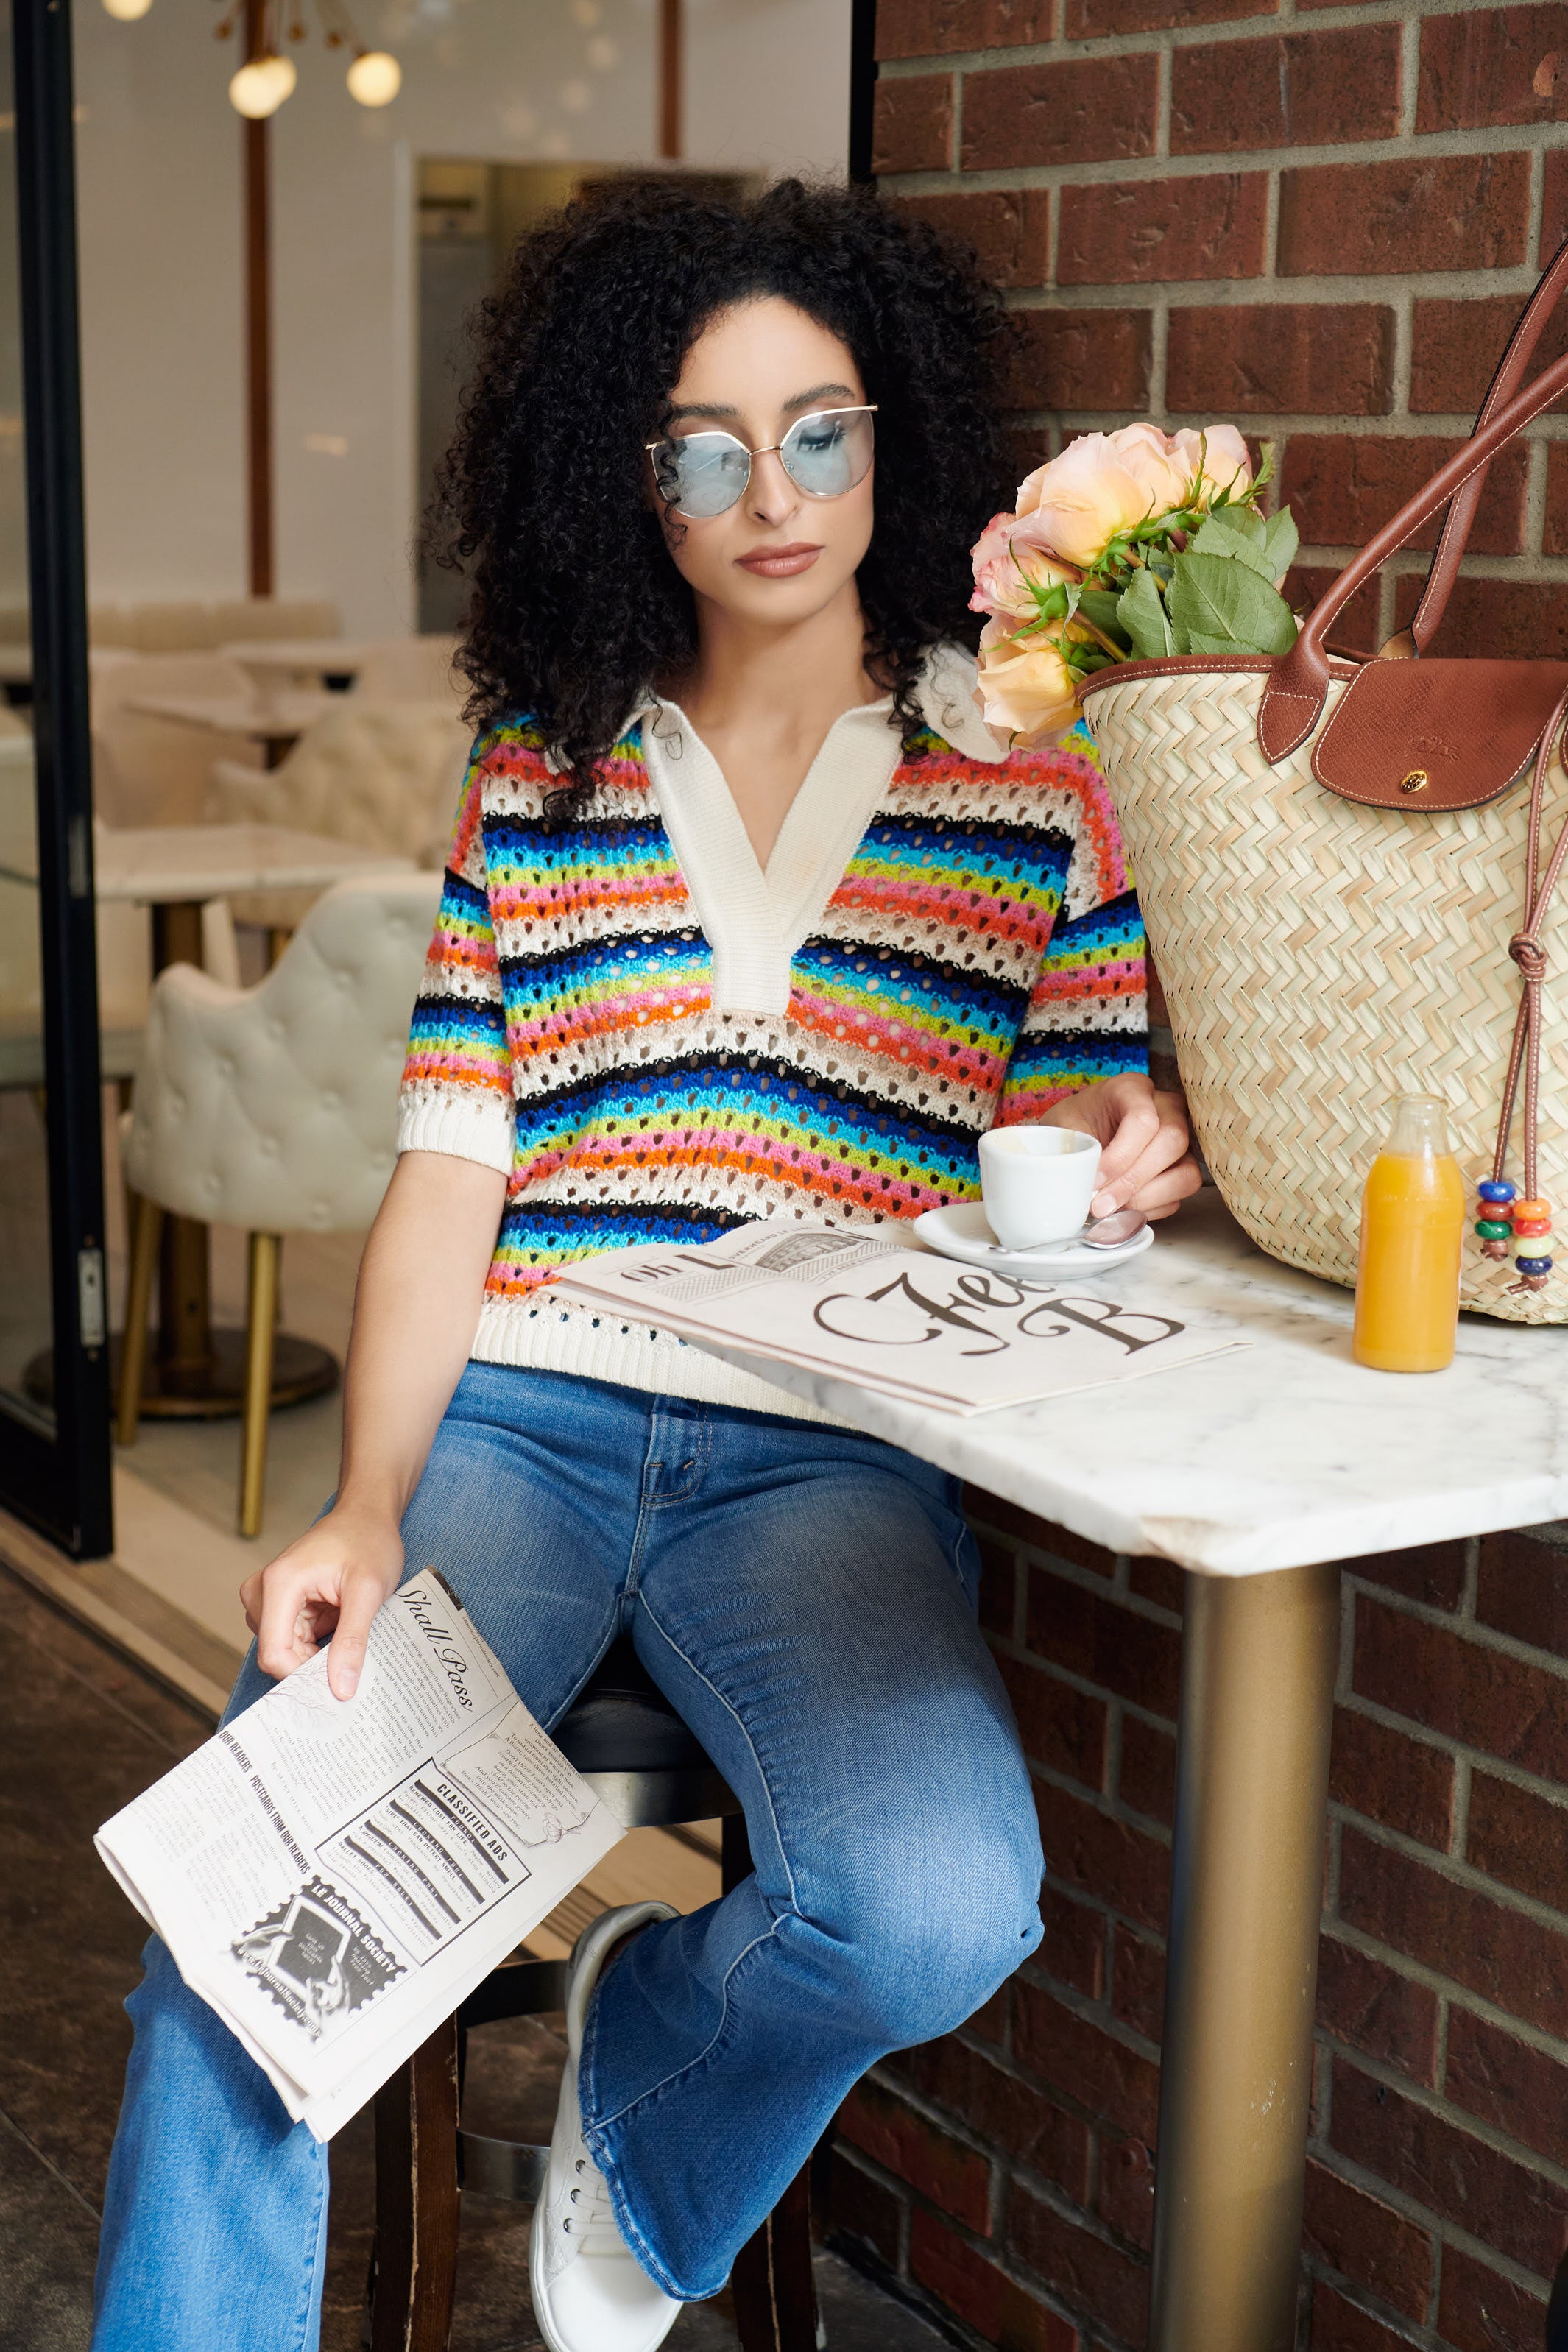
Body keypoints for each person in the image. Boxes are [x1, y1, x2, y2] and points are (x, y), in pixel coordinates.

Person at [91, 179, 1198, 2352]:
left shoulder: (1041, 774)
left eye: (819, 430)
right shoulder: (540, 772)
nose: (768, 494)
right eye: (702, 446)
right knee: (263, 1909)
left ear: (902, 439)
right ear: (630, 473)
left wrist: (1121, 1135)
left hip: (828, 1464)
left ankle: (652, 2075)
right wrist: (366, 1503)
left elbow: (1057, 1120)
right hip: (520, 1413)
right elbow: (446, 1177)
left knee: (936, 1907)